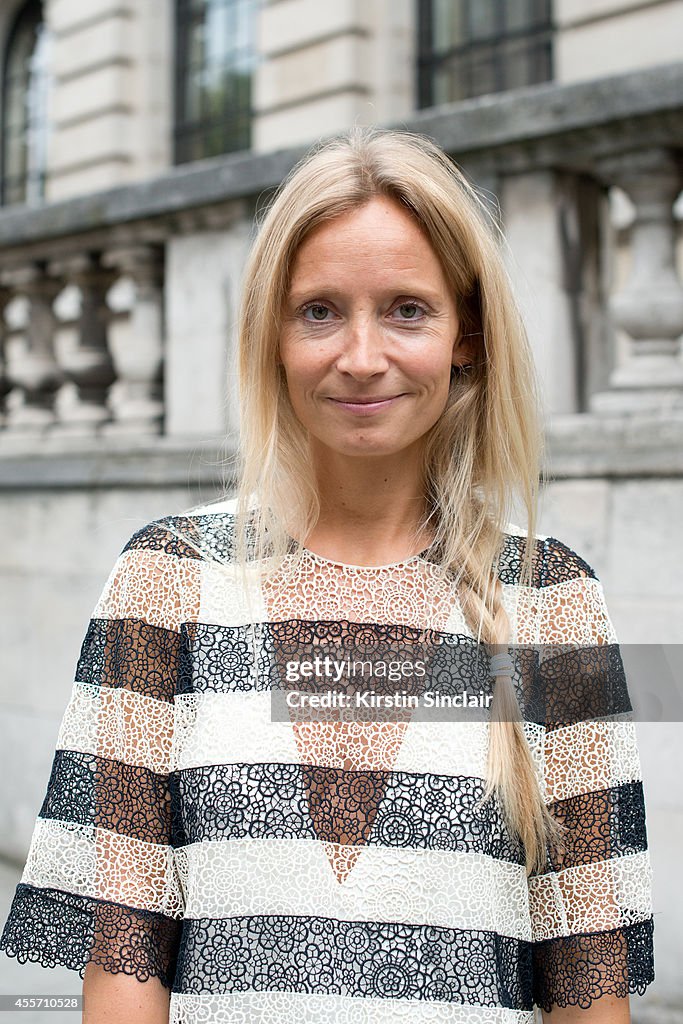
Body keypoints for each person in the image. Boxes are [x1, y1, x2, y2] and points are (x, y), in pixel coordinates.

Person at [0, 126, 654, 1023]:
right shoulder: (168, 582)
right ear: (270, 332)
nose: (359, 355)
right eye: (318, 310)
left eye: (405, 309)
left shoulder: (553, 601)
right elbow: (123, 954)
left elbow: (587, 983)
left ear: (467, 334)